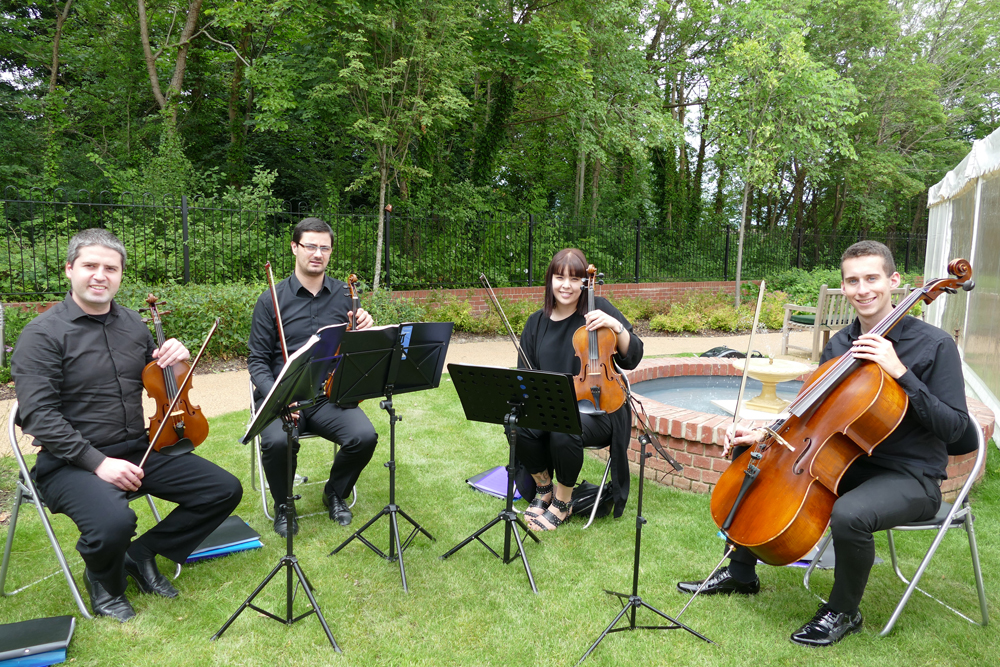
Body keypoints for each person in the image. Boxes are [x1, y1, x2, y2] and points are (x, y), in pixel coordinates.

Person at [676, 240, 969, 646]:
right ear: (844, 287)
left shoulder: (934, 345)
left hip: (910, 474)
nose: (862, 289)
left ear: (893, 281)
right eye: (853, 280)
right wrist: (766, 433)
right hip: (846, 459)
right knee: (755, 456)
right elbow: (810, 414)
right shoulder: (840, 344)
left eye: (872, 278)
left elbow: (958, 431)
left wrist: (900, 372)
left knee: (850, 514)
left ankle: (843, 611)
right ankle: (740, 572)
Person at [11, 229, 244, 622]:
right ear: (69, 270)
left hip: (138, 447)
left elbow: (160, 376)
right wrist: (98, 463)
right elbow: (38, 416)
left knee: (222, 490)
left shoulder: (133, 325)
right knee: (115, 521)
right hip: (70, 462)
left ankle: (142, 553)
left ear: (120, 275)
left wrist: (176, 358)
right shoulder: (41, 335)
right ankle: (105, 579)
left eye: (110, 268)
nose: (100, 275)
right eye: (89, 266)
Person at [248, 217, 378, 537]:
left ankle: (335, 493)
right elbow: (257, 361)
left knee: (364, 436)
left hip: (326, 397)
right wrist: (276, 397)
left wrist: (365, 329)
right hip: (283, 396)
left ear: (330, 252)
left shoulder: (344, 296)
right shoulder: (271, 299)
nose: (317, 253)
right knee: (278, 441)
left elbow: (356, 352)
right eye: (310, 246)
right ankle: (283, 504)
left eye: (324, 247)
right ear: (295, 248)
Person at [515, 248, 643, 531]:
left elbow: (633, 356)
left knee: (564, 426)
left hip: (601, 409)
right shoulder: (536, 323)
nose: (566, 285)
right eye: (559, 277)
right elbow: (525, 376)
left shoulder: (599, 309)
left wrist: (616, 326)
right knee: (517, 423)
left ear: (584, 283)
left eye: (574, 279)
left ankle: (563, 502)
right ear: (550, 281)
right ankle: (543, 488)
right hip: (553, 405)